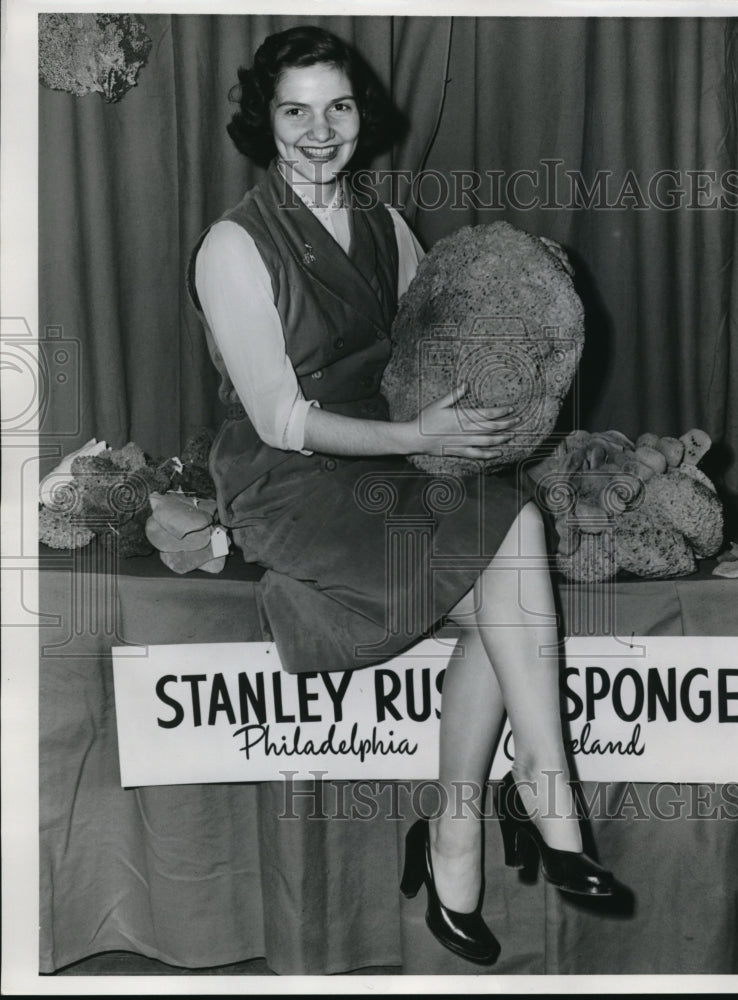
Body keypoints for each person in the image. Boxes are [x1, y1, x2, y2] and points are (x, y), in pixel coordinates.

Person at [188, 24, 614, 968]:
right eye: (293, 110)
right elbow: (281, 419)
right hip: (290, 478)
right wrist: (422, 439)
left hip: (387, 460)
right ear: (263, 121)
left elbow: (437, 337)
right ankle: (536, 793)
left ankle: (462, 823)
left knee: (511, 538)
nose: (317, 129)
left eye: (336, 106)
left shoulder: (384, 224)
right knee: (506, 585)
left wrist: (522, 284)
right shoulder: (233, 245)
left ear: (359, 115)